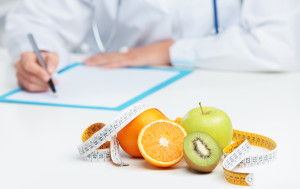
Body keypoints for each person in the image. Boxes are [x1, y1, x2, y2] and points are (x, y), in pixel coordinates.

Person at [3, 0, 300, 92]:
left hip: (225, 91)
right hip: (110, 95)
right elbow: (34, 16)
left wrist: (170, 51)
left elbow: (280, 45)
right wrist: (37, 52)